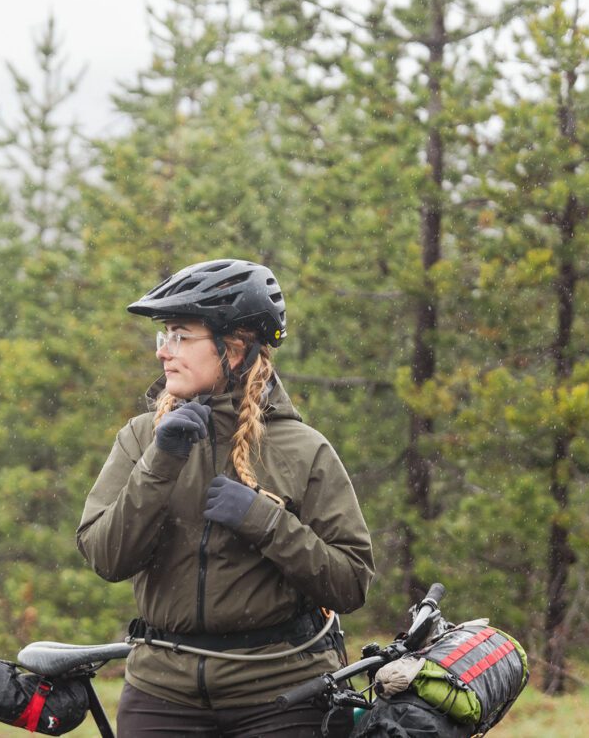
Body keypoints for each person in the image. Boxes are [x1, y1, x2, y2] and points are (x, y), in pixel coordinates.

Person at [77, 259, 375, 737]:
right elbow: (107, 557)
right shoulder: (140, 439)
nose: (163, 352)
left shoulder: (302, 449)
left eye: (180, 336)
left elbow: (350, 583)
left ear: (233, 349)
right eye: (163, 336)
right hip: (161, 696)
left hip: (284, 697)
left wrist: (264, 520)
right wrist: (161, 461)